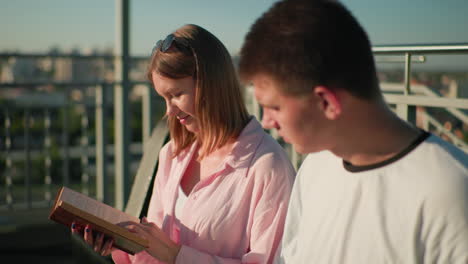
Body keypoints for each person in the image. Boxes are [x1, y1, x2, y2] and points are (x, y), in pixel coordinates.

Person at [238, 0, 468, 263]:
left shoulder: (451, 192)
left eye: (274, 107)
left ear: (326, 102)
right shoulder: (315, 167)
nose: (266, 121)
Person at [72, 24, 295, 264]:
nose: (169, 111)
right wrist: (122, 246)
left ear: (212, 85)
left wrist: (176, 256)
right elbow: (155, 251)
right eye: (164, 98)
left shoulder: (268, 166)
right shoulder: (172, 154)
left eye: (177, 94)